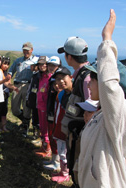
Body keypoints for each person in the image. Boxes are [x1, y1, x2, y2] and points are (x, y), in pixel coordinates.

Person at [78, 10, 126, 187]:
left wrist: (107, 40)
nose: (88, 83)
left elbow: (109, 86)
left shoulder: (120, 115)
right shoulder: (102, 114)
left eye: (93, 79)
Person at [57, 33, 91, 187]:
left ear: (69, 56)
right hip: (79, 132)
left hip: (83, 134)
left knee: (80, 166)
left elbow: (92, 107)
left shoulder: (85, 77)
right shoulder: (82, 75)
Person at [47, 67, 73, 183]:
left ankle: (65, 174)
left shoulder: (76, 94)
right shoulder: (62, 94)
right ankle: (63, 171)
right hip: (59, 128)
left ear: (71, 77)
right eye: (57, 79)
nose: (60, 81)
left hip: (67, 131)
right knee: (62, 151)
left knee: (65, 153)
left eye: (63, 78)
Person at [7, 42, 38, 135]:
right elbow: (11, 71)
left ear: (32, 50)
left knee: (26, 108)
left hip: (28, 85)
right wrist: (9, 79)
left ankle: (25, 126)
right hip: (17, 85)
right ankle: (25, 121)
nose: (26, 52)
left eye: (28, 50)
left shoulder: (35, 61)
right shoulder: (18, 60)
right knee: (14, 109)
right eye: (24, 50)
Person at [33, 56, 55, 158]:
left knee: (46, 129)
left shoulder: (50, 77)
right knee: (42, 128)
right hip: (40, 105)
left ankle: (47, 150)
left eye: (45, 64)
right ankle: (43, 147)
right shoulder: (40, 76)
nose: (43, 66)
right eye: (41, 64)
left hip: (46, 107)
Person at [0, 56, 11, 132]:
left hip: (5, 95)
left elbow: (9, 84)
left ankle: (3, 126)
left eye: (7, 64)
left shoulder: (7, 74)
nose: (6, 66)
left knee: (4, 111)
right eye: (4, 64)